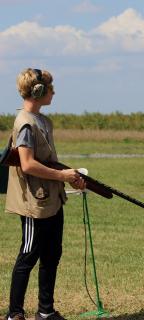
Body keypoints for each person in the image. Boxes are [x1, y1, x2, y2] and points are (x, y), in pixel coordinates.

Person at [4, 68, 86, 320]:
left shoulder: (43, 121)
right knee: (28, 255)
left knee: (52, 254)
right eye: (50, 88)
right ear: (38, 91)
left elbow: (47, 160)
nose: (53, 92)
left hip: (51, 199)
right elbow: (27, 164)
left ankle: (45, 311)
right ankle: (14, 314)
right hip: (34, 202)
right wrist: (63, 176)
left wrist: (71, 176)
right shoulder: (26, 123)